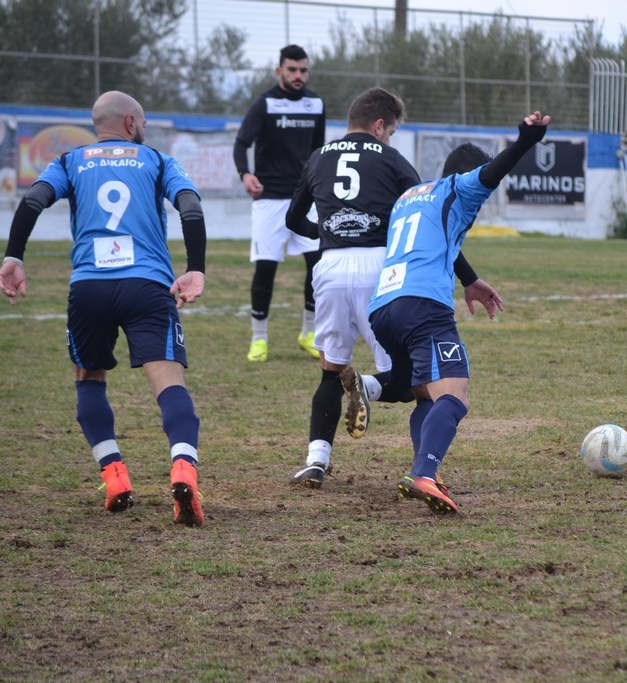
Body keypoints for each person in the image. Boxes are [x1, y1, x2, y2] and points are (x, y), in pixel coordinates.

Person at [0, 91, 210, 527]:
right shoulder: (157, 160)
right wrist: (195, 268)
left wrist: (14, 256)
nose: (143, 129)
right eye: (142, 122)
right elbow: (189, 205)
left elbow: (33, 201)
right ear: (130, 122)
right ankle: (183, 469)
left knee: (88, 380)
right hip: (147, 286)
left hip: (89, 287)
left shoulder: (69, 161)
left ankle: (114, 477)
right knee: (170, 384)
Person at [284, 87, 496, 489]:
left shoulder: (318, 157)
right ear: (379, 126)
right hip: (381, 269)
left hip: (329, 267)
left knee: (330, 372)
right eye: (392, 131)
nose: (391, 139)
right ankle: (423, 466)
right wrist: (469, 278)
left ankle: (316, 460)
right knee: (414, 381)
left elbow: (293, 220)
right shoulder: (391, 159)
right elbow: (430, 218)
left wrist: (330, 233)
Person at [368, 111, 549, 514]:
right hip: (423, 306)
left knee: (425, 394)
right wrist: (526, 141)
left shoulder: (410, 197)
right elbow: (493, 173)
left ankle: (423, 467)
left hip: (383, 307)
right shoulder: (461, 187)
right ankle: (423, 474)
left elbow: (433, 241)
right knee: (455, 395)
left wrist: (469, 279)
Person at [234, 44, 325, 362]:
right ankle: (259, 339)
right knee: (266, 267)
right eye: (292, 70)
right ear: (279, 71)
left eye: (303, 70)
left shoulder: (316, 104)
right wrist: (245, 174)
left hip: (305, 197)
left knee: (318, 266)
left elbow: (318, 151)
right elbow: (241, 143)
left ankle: (309, 333)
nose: (298, 75)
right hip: (269, 199)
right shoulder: (265, 104)